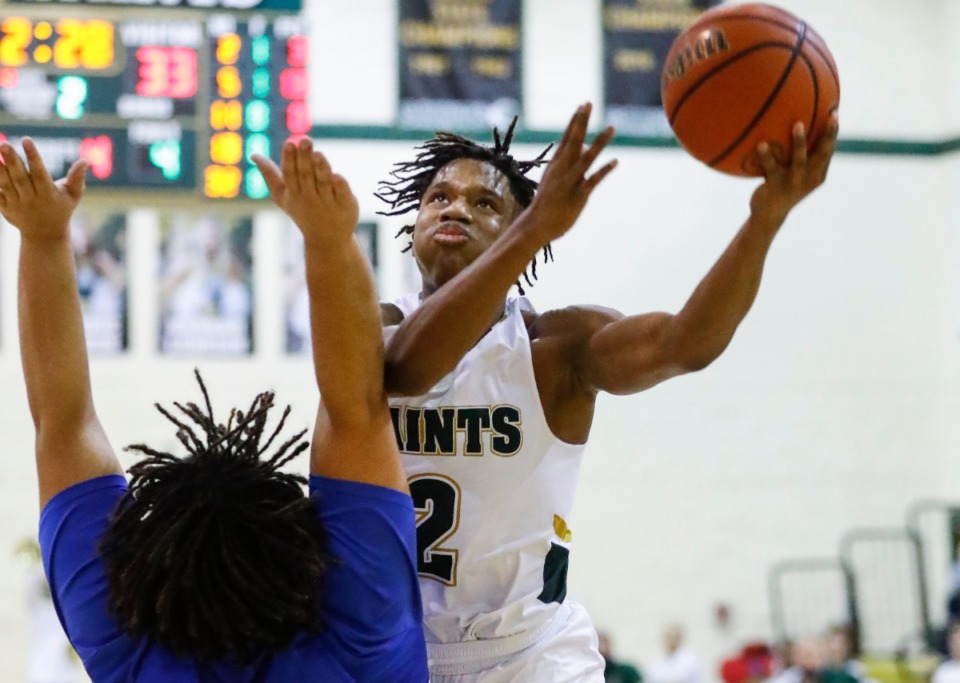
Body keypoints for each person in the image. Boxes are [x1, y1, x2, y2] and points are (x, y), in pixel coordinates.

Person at [377, 99, 839, 682]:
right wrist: (532, 229)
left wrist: (765, 217)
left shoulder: (557, 347)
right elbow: (407, 369)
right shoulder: (374, 327)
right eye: (438, 197)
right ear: (413, 224)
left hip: (533, 654)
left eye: (485, 202)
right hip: (400, 648)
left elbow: (685, 343)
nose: (456, 208)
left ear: (522, 228)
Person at [0, 135, 428, 681]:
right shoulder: (360, 637)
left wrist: (41, 237)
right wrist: (329, 242)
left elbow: (63, 425)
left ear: (145, 565)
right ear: (309, 554)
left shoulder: (126, 644)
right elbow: (357, 410)